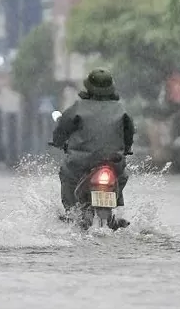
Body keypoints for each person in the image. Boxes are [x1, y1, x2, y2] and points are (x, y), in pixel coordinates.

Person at [51, 68, 135, 230]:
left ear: (88, 86)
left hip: (81, 164)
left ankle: (72, 213)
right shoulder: (121, 109)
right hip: (113, 163)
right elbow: (129, 134)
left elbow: (62, 129)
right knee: (122, 176)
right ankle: (115, 206)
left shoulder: (78, 108)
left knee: (66, 175)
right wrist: (126, 149)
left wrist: (58, 142)